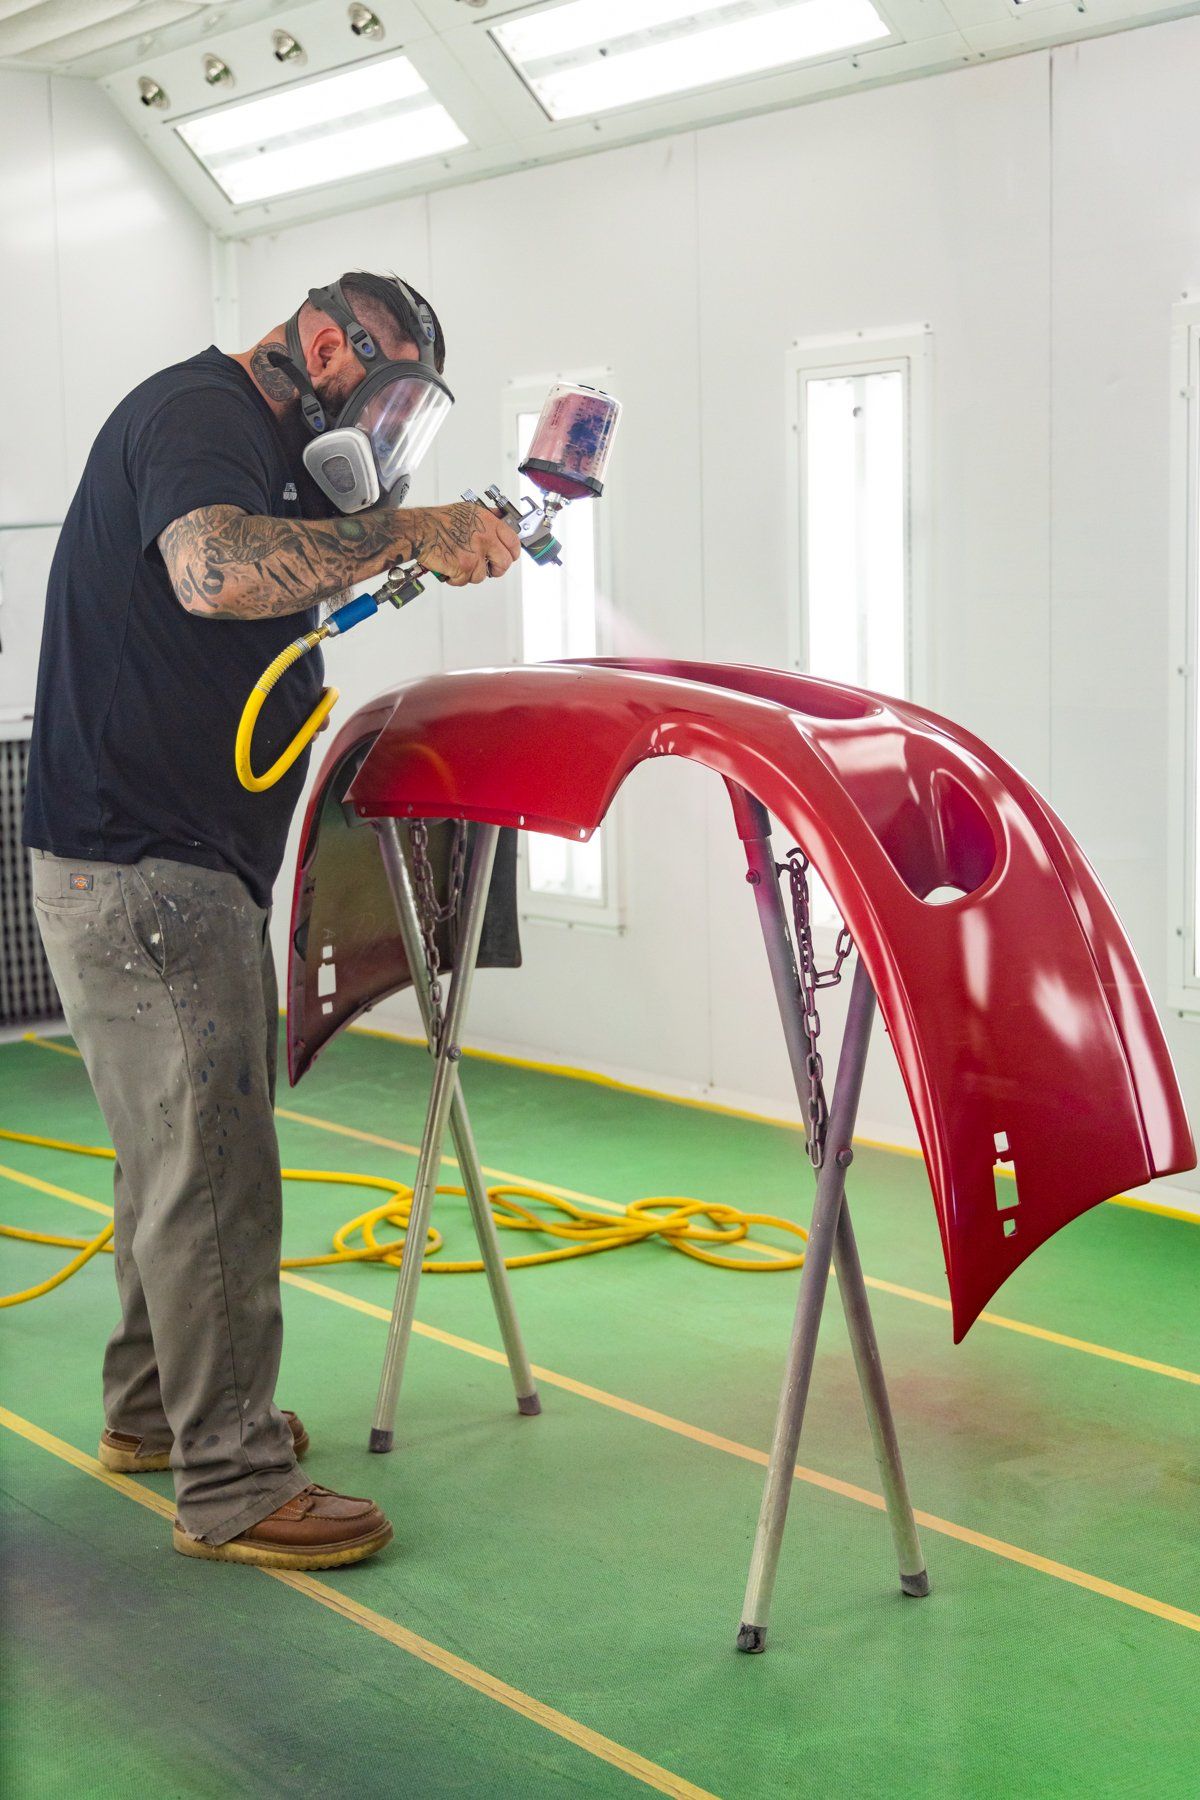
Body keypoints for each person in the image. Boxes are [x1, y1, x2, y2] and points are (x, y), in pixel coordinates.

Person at [22, 271, 520, 1570]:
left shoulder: (272, 456)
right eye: (387, 395)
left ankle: (153, 1410)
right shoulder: (200, 417)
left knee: (170, 1160)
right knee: (218, 1170)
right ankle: (232, 1480)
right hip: (148, 871)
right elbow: (213, 570)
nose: (388, 435)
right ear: (320, 343)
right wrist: (413, 532)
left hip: (160, 865)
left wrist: (414, 531)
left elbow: (286, 569)